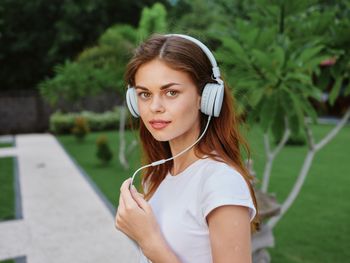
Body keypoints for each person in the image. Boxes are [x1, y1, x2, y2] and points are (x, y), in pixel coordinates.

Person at [115, 33, 260, 263]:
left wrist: (149, 241)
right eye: (144, 94)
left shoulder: (220, 183)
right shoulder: (156, 175)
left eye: (171, 92)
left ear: (207, 97)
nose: (154, 107)